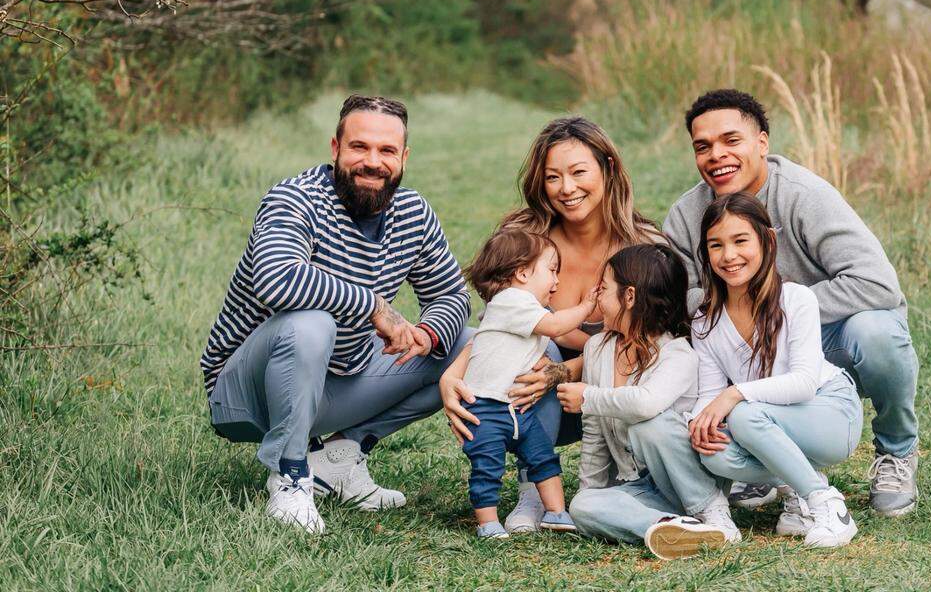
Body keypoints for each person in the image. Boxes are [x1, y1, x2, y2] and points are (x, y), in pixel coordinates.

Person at [201, 95, 472, 533]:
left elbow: (452, 296)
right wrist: (374, 305)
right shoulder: (295, 199)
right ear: (335, 149)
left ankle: (337, 460)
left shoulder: (414, 213)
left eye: (386, 151)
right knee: (311, 322)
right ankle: (290, 476)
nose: (372, 161)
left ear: (403, 158)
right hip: (246, 394)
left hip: (337, 379)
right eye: (359, 147)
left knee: (465, 344)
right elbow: (276, 278)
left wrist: (427, 332)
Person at [663, 89, 920, 517]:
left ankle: (896, 451)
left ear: (762, 143)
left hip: (825, 338)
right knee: (696, 338)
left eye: (731, 140)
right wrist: (737, 310)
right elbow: (679, 299)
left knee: (877, 331)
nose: (717, 155)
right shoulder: (687, 215)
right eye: (702, 146)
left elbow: (878, 284)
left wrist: (779, 306)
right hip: (743, 347)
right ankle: (761, 465)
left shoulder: (803, 195)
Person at [439, 117, 660, 533]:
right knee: (544, 345)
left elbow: (656, 343)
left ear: (608, 168)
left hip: (614, 390)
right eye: (553, 177)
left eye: (579, 172)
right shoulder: (524, 240)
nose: (567, 188)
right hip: (526, 399)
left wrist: (565, 372)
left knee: (552, 352)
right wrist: (451, 375)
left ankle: (633, 476)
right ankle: (532, 488)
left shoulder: (644, 246)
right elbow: (498, 328)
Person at [689, 193, 864, 548]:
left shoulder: (796, 299)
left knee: (743, 417)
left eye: (741, 241)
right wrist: (699, 424)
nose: (729, 255)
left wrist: (734, 393)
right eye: (716, 245)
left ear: (767, 241)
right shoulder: (704, 321)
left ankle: (826, 504)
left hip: (830, 412)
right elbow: (708, 395)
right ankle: (796, 489)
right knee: (714, 452)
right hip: (768, 420)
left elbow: (803, 383)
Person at [562, 244, 741, 559]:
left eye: (603, 289)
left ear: (629, 297)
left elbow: (645, 404)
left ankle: (714, 514)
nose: (596, 297)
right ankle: (671, 526)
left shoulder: (678, 354)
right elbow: (593, 433)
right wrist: (590, 492)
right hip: (643, 489)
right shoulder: (596, 349)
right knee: (583, 505)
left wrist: (588, 396)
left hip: (688, 479)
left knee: (649, 426)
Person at [458, 228, 600, 538]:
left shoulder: (524, 306)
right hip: (485, 408)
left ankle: (556, 512)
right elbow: (555, 326)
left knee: (542, 457)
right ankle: (488, 523)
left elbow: (563, 333)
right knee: (487, 468)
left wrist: (599, 345)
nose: (556, 281)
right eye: (551, 270)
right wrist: (587, 307)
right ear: (522, 273)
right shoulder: (510, 300)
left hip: (516, 409)